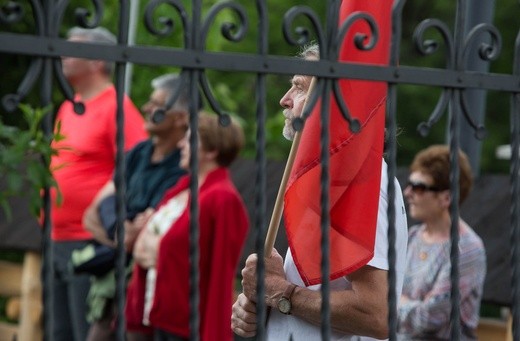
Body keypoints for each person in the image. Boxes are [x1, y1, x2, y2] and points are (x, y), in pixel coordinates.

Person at [231, 43, 408, 340]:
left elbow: (377, 314)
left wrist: (280, 292)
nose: (284, 100)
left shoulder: (357, 180)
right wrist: (260, 305)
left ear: (333, 101)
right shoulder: (331, 176)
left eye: (299, 88)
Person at [49, 26, 147, 341]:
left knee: (86, 331)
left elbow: (135, 168)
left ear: (98, 61)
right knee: (58, 331)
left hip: (91, 242)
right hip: (56, 238)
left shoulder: (116, 107)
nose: (63, 53)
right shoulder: (69, 106)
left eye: (73, 48)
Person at [80, 73, 195, 341]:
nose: (146, 108)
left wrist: (115, 220)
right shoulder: (137, 154)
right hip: (111, 279)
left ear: (180, 117)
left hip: (152, 285)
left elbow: (157, 227)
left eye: (156, 104)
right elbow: (92, 213)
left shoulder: (186, 162)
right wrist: (120, 229)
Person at [123, 112, 249, 341]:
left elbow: (219, 272)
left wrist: (157, 249)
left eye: (190, 139)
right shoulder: (182, 189)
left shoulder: (222, 198)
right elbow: (141, 247)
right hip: (157, 316)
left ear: (212, 150)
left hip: (186, 325)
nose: (181, 143)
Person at [397, 145, 486, 340]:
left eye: (419, 187)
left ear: (447, 197)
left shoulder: (467, 249)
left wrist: (396, 302)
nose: (407, 192)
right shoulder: (413, 236)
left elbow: (428, 318)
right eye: (410, 184)